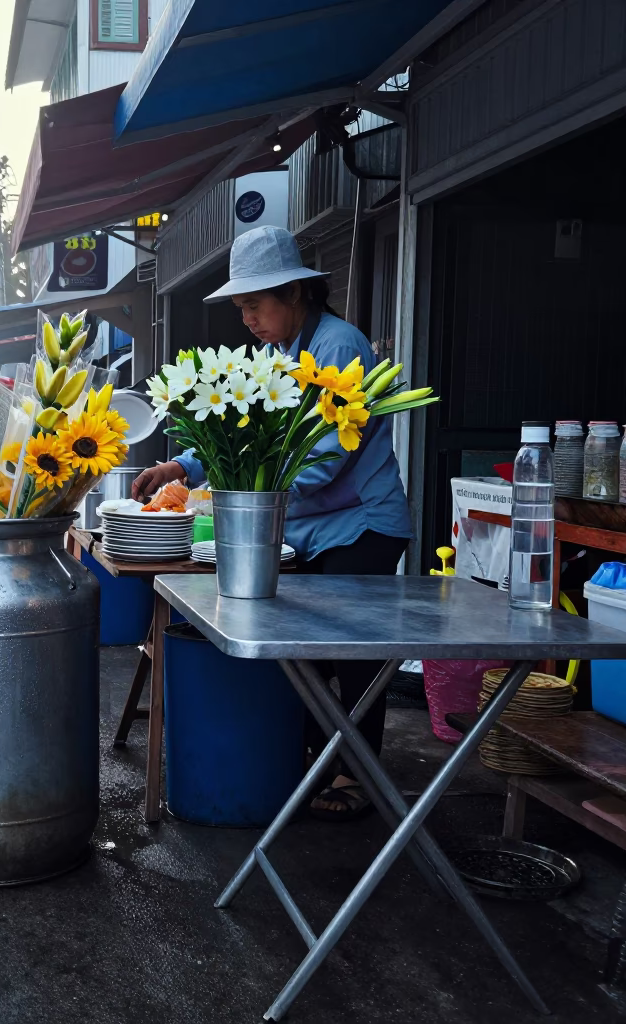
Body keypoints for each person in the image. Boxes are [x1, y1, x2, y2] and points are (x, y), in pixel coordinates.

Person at [132, 225, 412, 821]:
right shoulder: (273, 357)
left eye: (256, 305)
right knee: (304, 656)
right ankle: (317, 761)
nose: (249, 320)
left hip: (361, 526)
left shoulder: (336, 347)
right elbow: (239, 437)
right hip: (308, 528)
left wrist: (240, 494)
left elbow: (325, 456)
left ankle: (359, 776)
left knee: (354, 659)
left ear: (295, 293)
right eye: (241, 309)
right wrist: (179, 465)